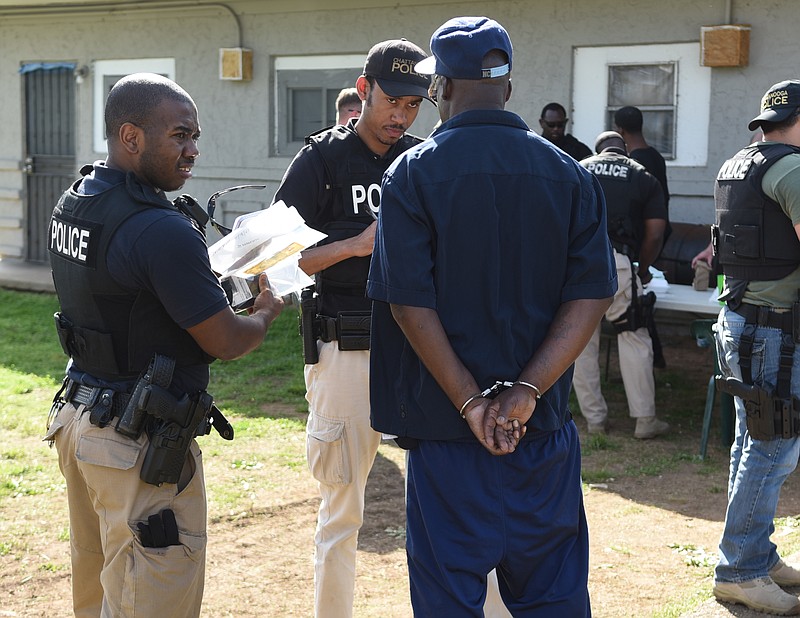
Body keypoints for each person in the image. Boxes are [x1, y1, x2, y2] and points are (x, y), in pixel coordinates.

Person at [368, 16, 616, 614]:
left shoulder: (413, 172)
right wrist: (526, 391)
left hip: (448, 432)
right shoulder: (569, 173)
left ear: (441, 88)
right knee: (553, 596)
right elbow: (591, 294)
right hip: (542, 428)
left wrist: (472, 402)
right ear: (508, 86)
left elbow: (409, 302)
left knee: (448, 597)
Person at [43, 73, 285, 617]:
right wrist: (268, 308)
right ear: (131, 136)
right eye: (179, 135)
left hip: (81, 422)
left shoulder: (76, 201)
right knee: (151, 593)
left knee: (101, 584)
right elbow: (226, 339)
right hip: (136, 443)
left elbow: (128, 302)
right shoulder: (160, 229)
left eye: (195, 136)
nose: (192, 150)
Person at [271, 38, 430, 618]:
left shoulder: (422, 156)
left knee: (442, 501)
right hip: (348, 347)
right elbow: (280, 263)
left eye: (414, 105)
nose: (400, 116)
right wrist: (354, 247)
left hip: (421, 349)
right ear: (363, 91)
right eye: (392, 101)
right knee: (342, 509)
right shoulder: (321, 161)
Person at [711, 79, 800, 615]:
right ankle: (740, 570)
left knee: (753, 443)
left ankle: (756, 556)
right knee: (773, 447)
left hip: (741, 321)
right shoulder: (792, 168)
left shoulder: (737, 164)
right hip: (774, 332)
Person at [572, 131, 670, 438]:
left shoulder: (577, 168)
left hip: (579, 264)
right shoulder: (642, 175)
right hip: (620, 263)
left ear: (599, 149)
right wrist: (643, 268)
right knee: (633, 336)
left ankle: (595, 421)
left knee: (581, 344)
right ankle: (644, 421)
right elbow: (655, 233)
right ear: (624, 151)